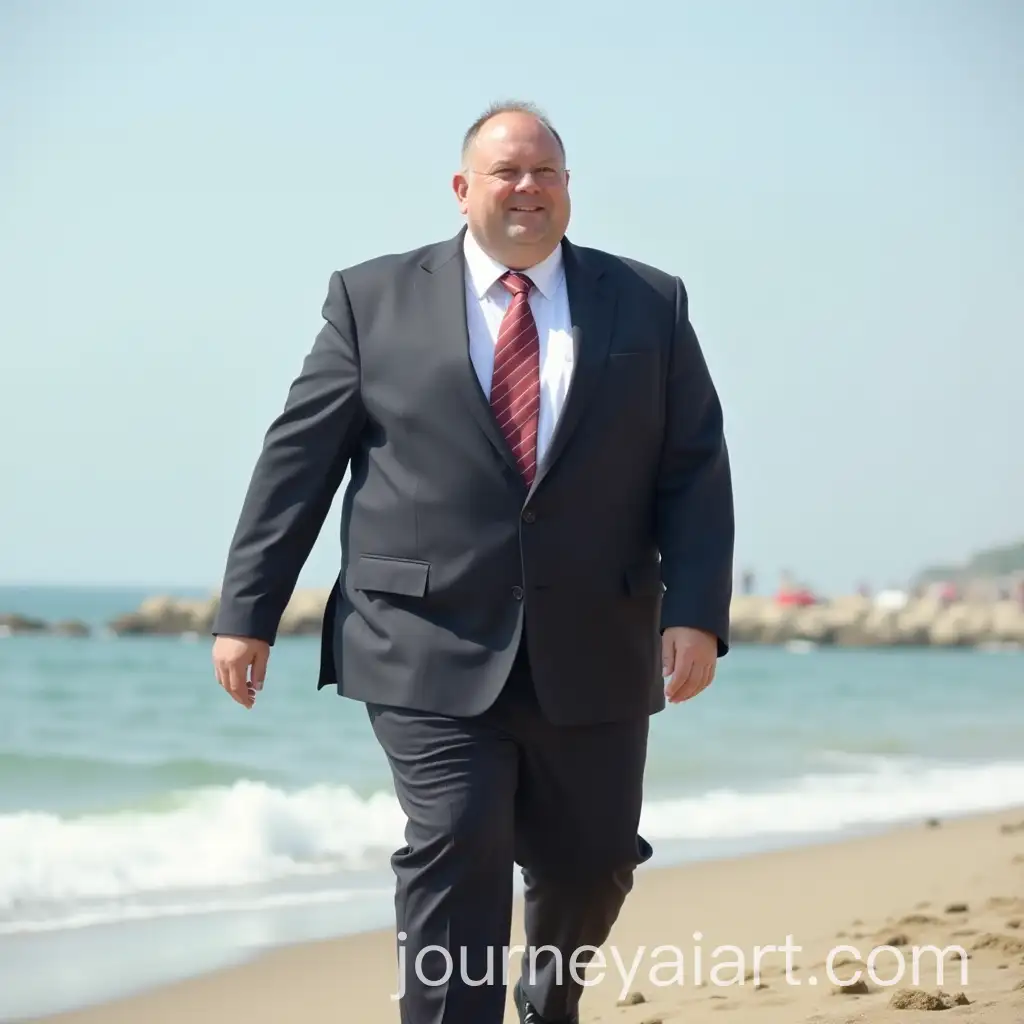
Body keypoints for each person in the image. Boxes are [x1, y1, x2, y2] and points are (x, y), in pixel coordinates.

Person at [211, 100, 734, 1024]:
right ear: (463, 189)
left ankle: (548, 999)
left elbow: (692, 465)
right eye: (506, 172)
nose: (528, 188)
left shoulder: (650, 302)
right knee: (456, 842)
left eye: (545, 173)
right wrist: (248, 613)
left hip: (596, 638)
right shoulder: (372, 299)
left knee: (595, 860)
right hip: (422, 634)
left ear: (568, 188)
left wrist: (694, 610)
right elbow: (299, 461)